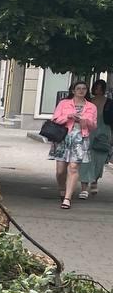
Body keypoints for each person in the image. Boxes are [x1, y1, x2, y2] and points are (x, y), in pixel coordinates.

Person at [50, 81, 97, 209]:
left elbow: (94, 125)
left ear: (87, 91)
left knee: (74, 167)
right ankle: (61, 189)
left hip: (80, 139)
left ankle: (67, 198)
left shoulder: (91, 107)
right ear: (73, 90)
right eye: (78, 88)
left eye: (84, 89)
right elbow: (55, 119)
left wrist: (85, 120)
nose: (81, 91)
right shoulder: (64, 103)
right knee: (60, 171)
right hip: (63, 137)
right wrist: (69, 116)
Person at [81, 79, 111, 196]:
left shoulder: (109, 102)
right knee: (86, 158)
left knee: (100, 159)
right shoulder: (88, 101)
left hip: (104, 131)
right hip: (89, 131)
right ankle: (85, 184)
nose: (98, 90)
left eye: (100, 87)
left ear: (103, 89)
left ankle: (95, 179)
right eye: (96, 87)